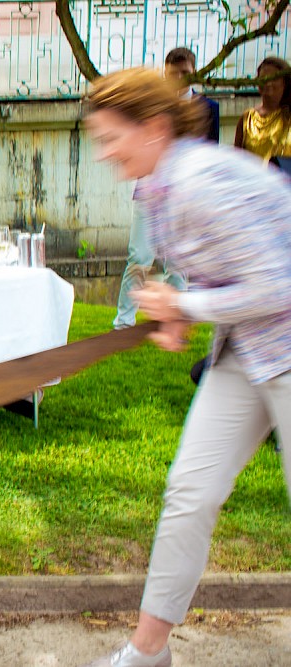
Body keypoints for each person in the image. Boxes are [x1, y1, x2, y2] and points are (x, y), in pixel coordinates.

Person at [81, 67, 291, 667]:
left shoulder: (199, 179)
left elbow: (278, 284)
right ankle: (147, 655)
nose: (105, 153)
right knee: (189, 494)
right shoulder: (159, 186)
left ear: (151, 127)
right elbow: (223, 271)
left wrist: (185, 304)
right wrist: (181, 314)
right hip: (246, 348)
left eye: (110, 138)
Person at [112, 47, 219, 330]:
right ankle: (124, 321)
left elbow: (210, 153)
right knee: (139, 257)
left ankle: (173, 321)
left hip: (187, 197)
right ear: (165, 73)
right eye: (174, 73)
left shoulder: (209, 109)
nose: (179, 78)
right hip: (149, 192)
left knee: (180, 263)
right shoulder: (150, 106)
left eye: (185, 73)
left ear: (194, 73)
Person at [234, 56, 291, 165]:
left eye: (274, 78)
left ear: (285, 82)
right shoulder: (247, 118)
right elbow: (237, 159)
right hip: (253, 180)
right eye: (264, 78)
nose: (268, 83)